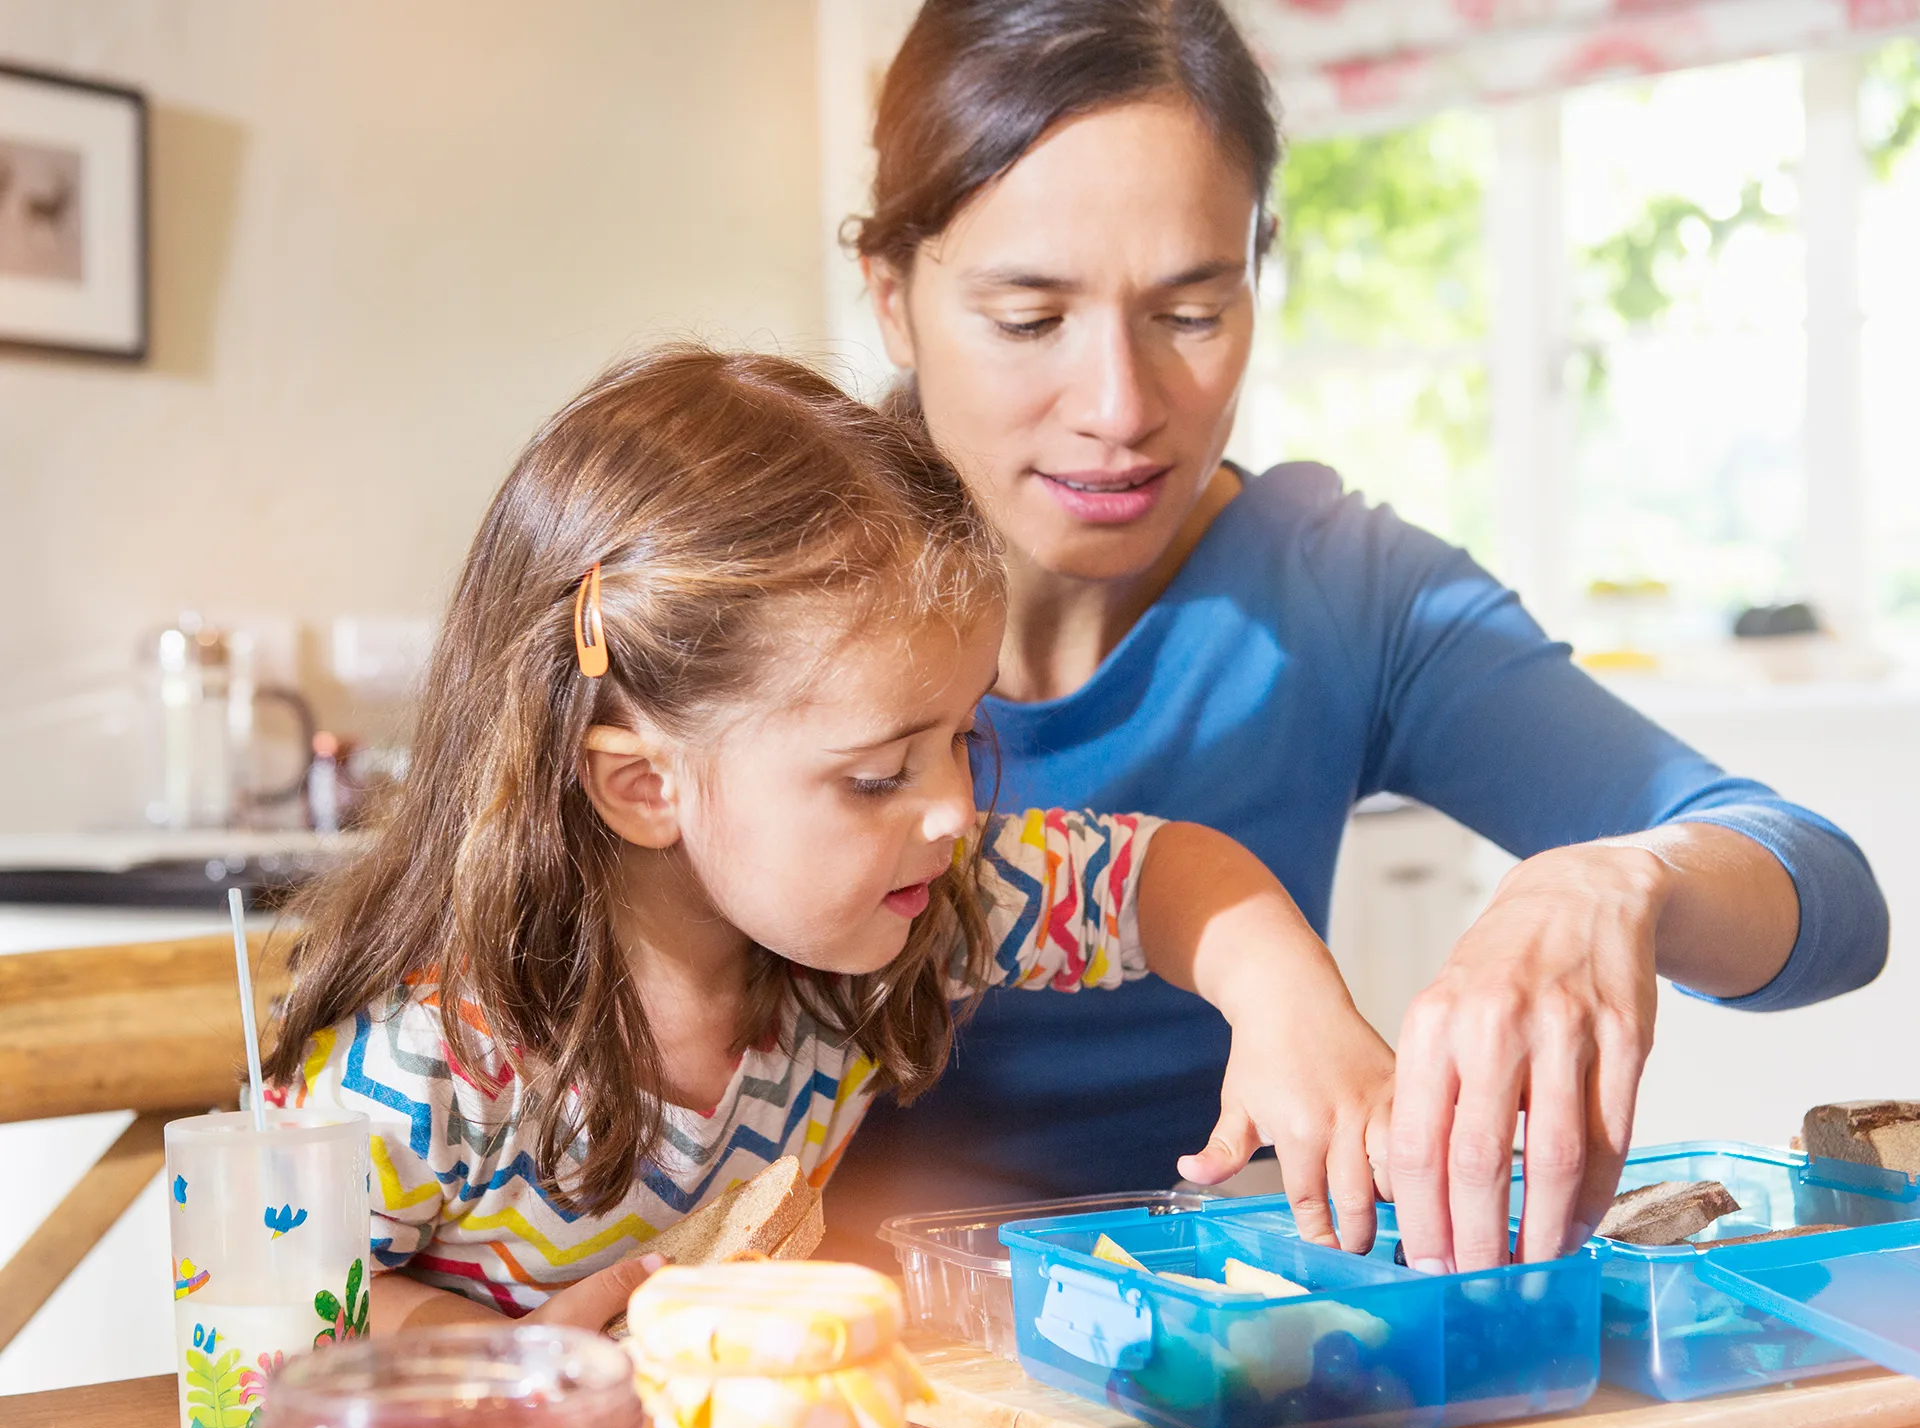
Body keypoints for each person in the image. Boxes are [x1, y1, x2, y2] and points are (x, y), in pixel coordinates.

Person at [829, 0, 1890, 1275]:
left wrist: (1621, 879)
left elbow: (1829, 898)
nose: (1119, 407)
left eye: (1191, 312)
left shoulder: (1341, 589)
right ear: (892, 295)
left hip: (1210, 1365)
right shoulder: (754, 599)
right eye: (1029, 318)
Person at [261, 345, 1396, 1331]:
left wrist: (1289, 1003)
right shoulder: (427, 1062)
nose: (954, 807)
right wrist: (464, 1354)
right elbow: (259, 1294)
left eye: (960, 736)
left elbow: (1159, 872)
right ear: (646, 786)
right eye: (876, 775)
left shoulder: (916, 902)